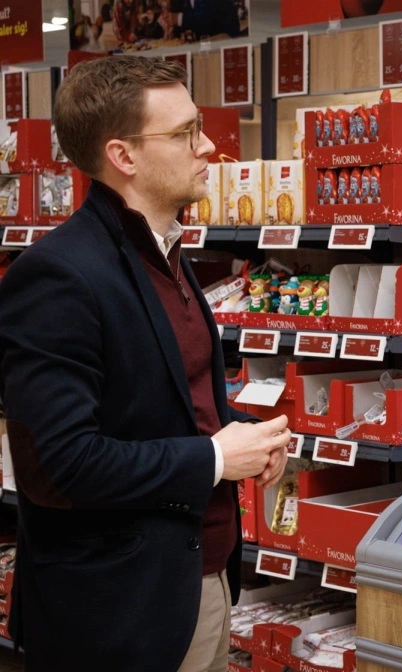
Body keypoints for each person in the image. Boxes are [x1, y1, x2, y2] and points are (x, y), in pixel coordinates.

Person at [0, 56, 292, 671]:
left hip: (199, 581)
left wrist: (242, 431)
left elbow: (159, 403)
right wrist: (216, 457)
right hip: (116, 612)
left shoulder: (169, 257)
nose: (208, 145)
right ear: (123, 156)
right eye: (185, 133)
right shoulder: (58, 276)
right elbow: (61, 467)